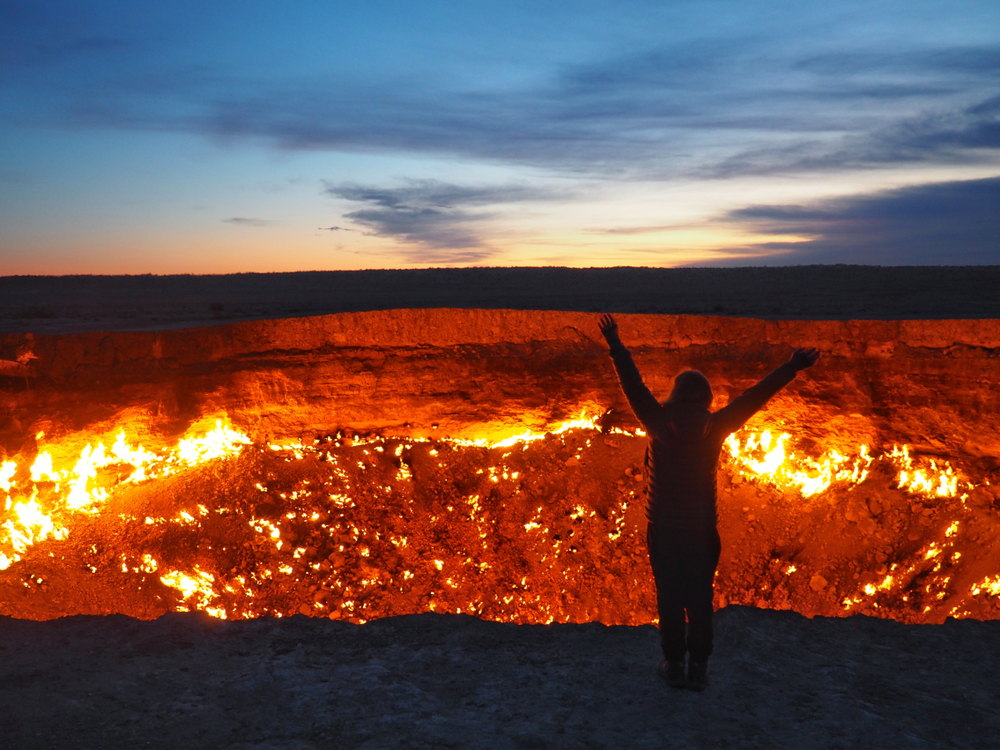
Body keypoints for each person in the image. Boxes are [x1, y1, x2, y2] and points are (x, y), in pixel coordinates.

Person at [598, 313, 819, 691]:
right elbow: (756, 396)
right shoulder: (717, 426)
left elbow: (632, 385)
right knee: (699, 598)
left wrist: (615, 344)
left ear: (676, 394)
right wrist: (792, 367)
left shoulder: (656, 420)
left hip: (663, 529)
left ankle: (673, 664)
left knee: (668, 595)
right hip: (701, 529)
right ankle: (698, 669)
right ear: (706, 399)